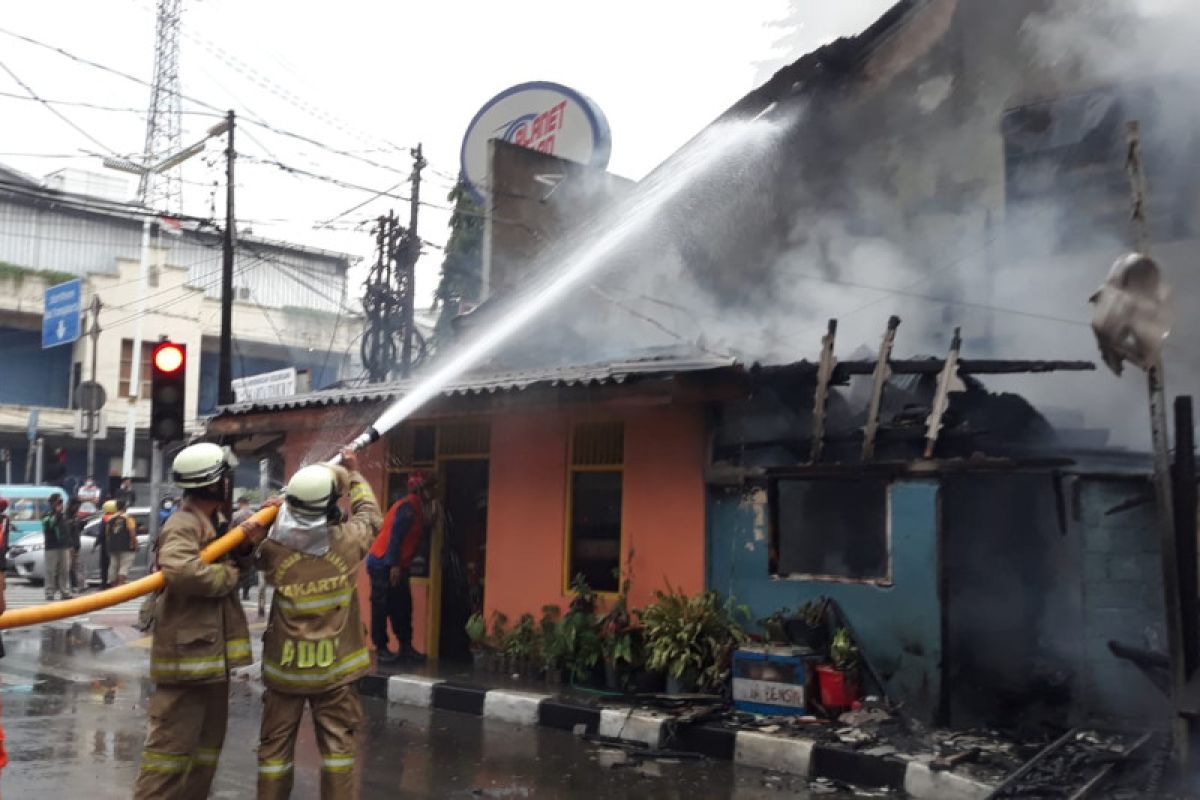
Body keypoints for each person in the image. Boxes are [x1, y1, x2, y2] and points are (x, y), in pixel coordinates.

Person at [248, 447, 381, 799]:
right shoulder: (349, 541)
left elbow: (250, 547)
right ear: (330, 507)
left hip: (286, 672)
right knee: (339, 753)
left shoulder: (274, 548)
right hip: (334, 672)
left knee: (274, 753)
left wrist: (266, 517)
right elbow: (370, 514)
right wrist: (353, 474)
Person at [132, 442, 262, 800]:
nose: (229, 483)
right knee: (167, 757)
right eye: (225, 477)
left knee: (203, 755)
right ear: (213, 484)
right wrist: (230, 575)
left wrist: (244, 549)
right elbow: (181, 570)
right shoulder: (183, 524)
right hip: (187, 662)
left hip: (208, 664)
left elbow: (230, 562)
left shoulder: (214, 523)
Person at [368, 471, 436, 664]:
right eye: (430, 487)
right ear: (421, 490)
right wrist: (394, 566)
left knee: (403, 605)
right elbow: (395, 538)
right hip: (383, 563)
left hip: (397, 563)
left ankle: (406, 646)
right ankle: (380, 647)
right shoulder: (408, 507)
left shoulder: (418, 508)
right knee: (381, 605)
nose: (433, 491)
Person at [41, 494, 72, 601]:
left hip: (64, 546)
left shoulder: (64, 516)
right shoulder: (47, 515)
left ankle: (65, 591)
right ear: (52, 503)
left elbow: (67, 531)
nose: (60, 504)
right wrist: (57, 514)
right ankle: (50, 592)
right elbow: (50, 524)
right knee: (51, 570)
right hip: (51, 547)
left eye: (61, 502)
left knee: (64, 570)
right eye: (58, 502)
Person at [105, 498, 139, 586]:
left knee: (114, 566)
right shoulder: (128, 518)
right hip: (126, 546)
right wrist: (135, 544)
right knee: (124, 566)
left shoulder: (110, 519)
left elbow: (108, 534)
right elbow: (132, 533)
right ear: (125, 507)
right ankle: (120, 585)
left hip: (113, 547)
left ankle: (113, 586)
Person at [66, 497, 86, 593]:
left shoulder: (75, 516)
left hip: (76, 544)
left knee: (76, 566)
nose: (78, 508)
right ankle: (73, 585)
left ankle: (76, 584)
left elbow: (77, 530)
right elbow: (68, 531)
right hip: (71, 545)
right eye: (77, 506)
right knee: (71, 567)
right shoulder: (68, 517)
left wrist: (81, 523)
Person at [98, 499, 118, 590]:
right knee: (113, 564)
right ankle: (113, 581)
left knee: (104, 565)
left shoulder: (105, 518)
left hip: (105, 545)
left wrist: (97, 541)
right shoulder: (118, 517)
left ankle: (104, 583)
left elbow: (101, 533)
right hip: (115, 544)